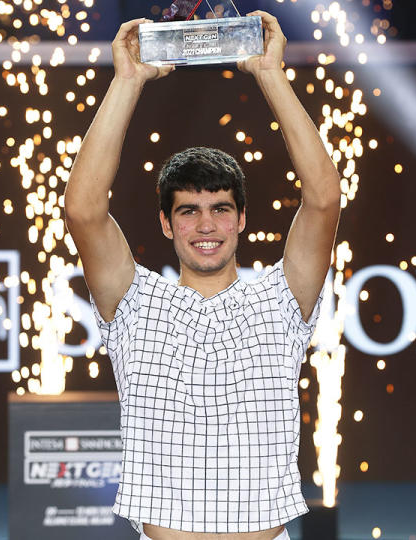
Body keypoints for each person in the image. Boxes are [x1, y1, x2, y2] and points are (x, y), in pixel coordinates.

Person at [64, 12, 340, 540]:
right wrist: (127, 81)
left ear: (241, 218)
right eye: (189, 211)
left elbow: (324, 199)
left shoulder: (282, 296)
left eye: (220, 208)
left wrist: (270, 74)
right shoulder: (134, 301)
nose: (206, 225)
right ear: (166, 223)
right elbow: (82, 211)